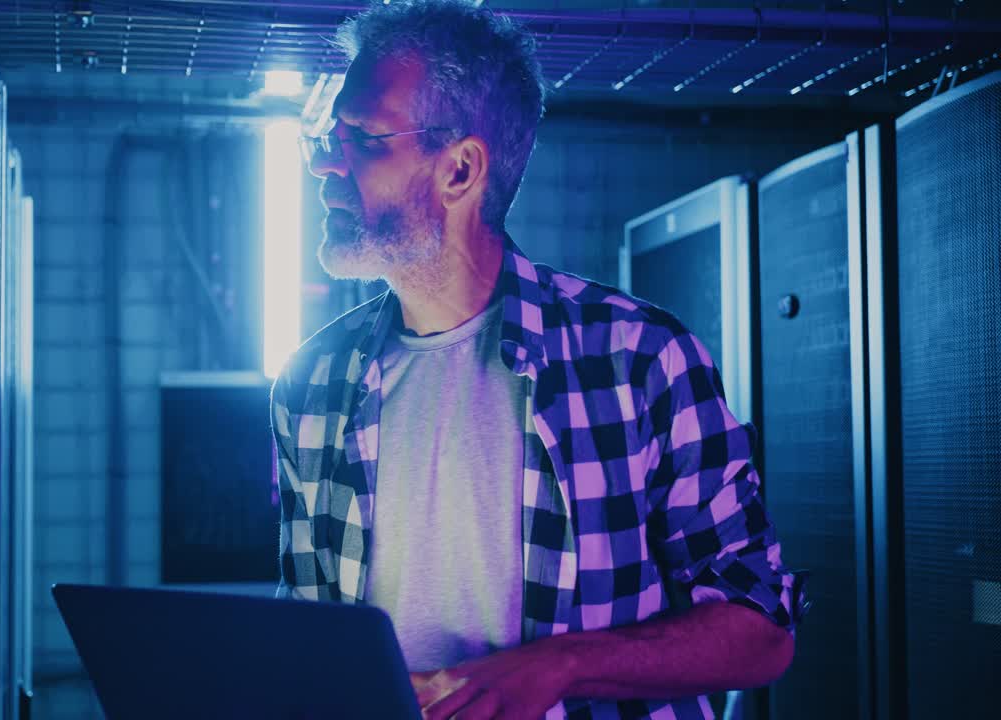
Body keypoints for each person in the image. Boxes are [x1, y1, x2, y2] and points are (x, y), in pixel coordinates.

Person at [270, 2, 805, 718]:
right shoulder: (308, 385)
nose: (326, 165)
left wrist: (560, 667)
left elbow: (762, 630)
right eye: (325, 140)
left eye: (363, 139)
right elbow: (308, 639)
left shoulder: (639, 360)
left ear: (460, 170)